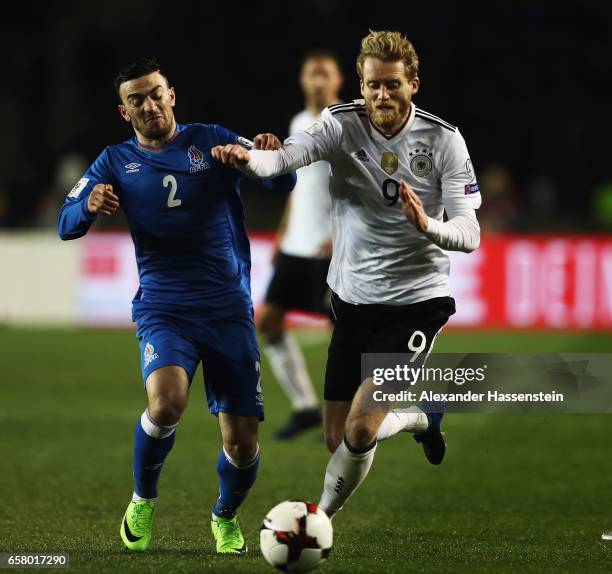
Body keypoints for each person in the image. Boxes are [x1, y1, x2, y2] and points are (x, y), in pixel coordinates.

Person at [212, 30, 481, 519]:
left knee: (359, 430)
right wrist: (247, 158)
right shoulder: (339, 124)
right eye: (373, 85)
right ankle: (423, 416)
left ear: (414, 84)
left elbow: (470, 231)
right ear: (361, 83)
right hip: (353, 300)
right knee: (338, 437)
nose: (382, 95)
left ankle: (318, 522)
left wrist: (429, 226)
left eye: (393, 85)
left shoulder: (444, 139)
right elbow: (286, 157)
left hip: (418, 302)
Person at [57, 57, 296, 553]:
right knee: (166, 403)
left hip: (228, 309)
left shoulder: (210, 139)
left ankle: (223, 515)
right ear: (124, 112)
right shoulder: (114, 160)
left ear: (171, 95)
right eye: (135, 100)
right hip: (164, 308)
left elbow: (282, 182)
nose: (148, 105)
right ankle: (143, 498)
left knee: (242, 443)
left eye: (154, 93)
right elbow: (66, 222)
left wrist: (269, 156)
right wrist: (88, 205)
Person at [260, 50, 343, 440]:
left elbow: (354, 188)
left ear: (339, 81)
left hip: (331, 251)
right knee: (269, 320)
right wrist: (281, 232)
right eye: (313, 73)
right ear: (302, 80)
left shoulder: (344, 124)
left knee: (342, 333)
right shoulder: (298, 122)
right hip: (295, 245)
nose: (319, 80)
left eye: (325, 73)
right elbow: (296, 186)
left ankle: (351, 416)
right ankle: (306, 405)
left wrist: (342, 232)